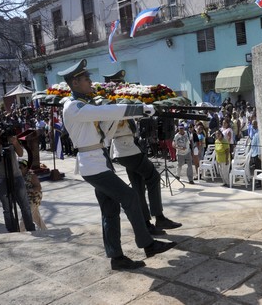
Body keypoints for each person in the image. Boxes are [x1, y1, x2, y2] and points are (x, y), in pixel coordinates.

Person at [58, 59, 176, 271]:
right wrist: (140, 108)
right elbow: (106, 113)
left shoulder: (85, 105)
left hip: (99, 160)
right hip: (93, 164)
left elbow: (105, 130)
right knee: (129, 197)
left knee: (110, 209)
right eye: (86, 79)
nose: (90, 82)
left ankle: (117, 257)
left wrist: (128, 113)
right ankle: (148, 245)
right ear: (74, 83)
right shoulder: (73, 107)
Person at [102, 71, 182, 235]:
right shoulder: (112, 104)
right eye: (118, 84)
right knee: (153, 176)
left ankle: (146, 224)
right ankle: (159, 217)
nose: (122, 87)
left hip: (128, 147)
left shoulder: (122, 103)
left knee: (138, 186)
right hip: (126, 148)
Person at [0, 128, 36, 232]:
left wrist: (15, 142)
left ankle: (31, 229)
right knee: (7, 209)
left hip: (16, 176)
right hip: (1, 178)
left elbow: (20, 154)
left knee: (25, 206)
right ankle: (12, 231)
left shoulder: (10, 140)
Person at [18, 159, 47, 231]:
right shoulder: (17, 175)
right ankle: (45, 230)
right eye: (17, 167)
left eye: (20, 167)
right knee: (36, 217)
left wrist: (28, 190)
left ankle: (20, 232)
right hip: (24, 199)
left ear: (26, 167)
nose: (18, 169)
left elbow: (38, 187)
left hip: (33, 199)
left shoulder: (31, 175)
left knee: (25, 217)